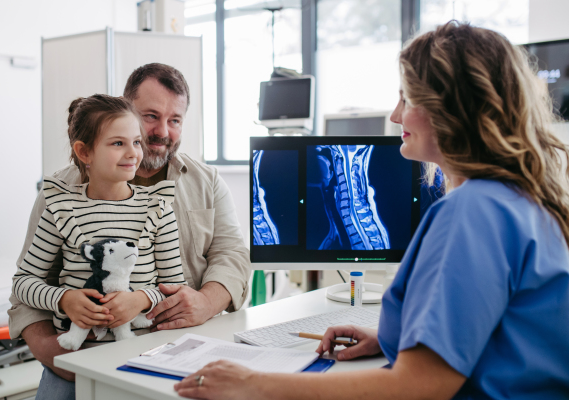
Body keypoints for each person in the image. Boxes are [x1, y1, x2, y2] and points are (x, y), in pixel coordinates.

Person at [173, 22, 569, 400]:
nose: (396, 115)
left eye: (407, 99)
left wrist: (254, 384)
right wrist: (391, 339)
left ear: (451, 110)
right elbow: (502, 328)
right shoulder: (523, 198)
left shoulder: (472, 212)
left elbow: (418, 388)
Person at [8, 64, 250, 391]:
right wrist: (55, 354)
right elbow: (27, 285)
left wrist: (205, 302)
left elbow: (232, 254)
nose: (162, 131)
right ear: (126, 108)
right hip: (76, 359)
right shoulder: (60, 196)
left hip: (169, 352)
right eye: (150, 116)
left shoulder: (204, 182)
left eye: (174, 120)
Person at [12, 93, 187, 351]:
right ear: (84, 152)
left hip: (145, 349)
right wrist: (63, 300)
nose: (132, 153)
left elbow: (175, 288)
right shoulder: (60, 208)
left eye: (136, 142)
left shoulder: (158, 207)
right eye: (118, 143)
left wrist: (140, 300)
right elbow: (23, 282)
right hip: (78, 352)